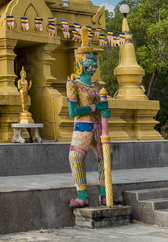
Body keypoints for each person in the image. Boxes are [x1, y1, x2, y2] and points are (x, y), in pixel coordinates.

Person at [67, 28, 110, 208]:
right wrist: (95, 107)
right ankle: (82, 196)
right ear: (79, 62)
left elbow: (103, 108)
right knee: (76, 157)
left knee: (105, 159)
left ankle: (105, 195)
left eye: (94, 61)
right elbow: (72, 111)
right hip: (82, 127)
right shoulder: (73, 85)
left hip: (100, 127)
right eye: (88, 61)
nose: (92, 65)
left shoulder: (97, 85)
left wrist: (105, 111)